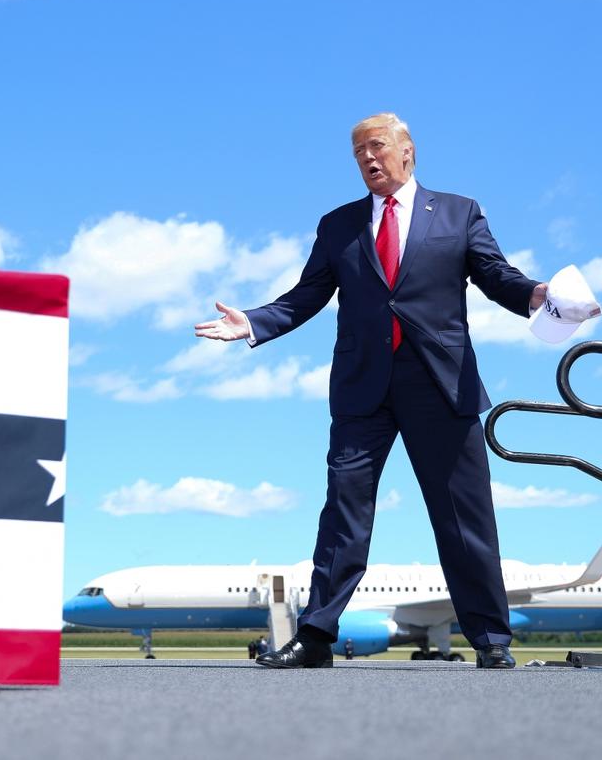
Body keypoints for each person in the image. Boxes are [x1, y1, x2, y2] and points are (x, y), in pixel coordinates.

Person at [195, 113, 546, 671]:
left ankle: (491, 640)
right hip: (363, 390)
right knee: (343, 511)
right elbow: (306, 295)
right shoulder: (339, 225)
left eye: (376, 146)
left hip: (439, 383)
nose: (367, 158)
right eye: (358, 152)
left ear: (408, 151)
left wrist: (538, 295)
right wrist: (255, 322)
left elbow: (496, 275)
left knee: (463, 515)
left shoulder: (459, 212)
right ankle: (315, 639)